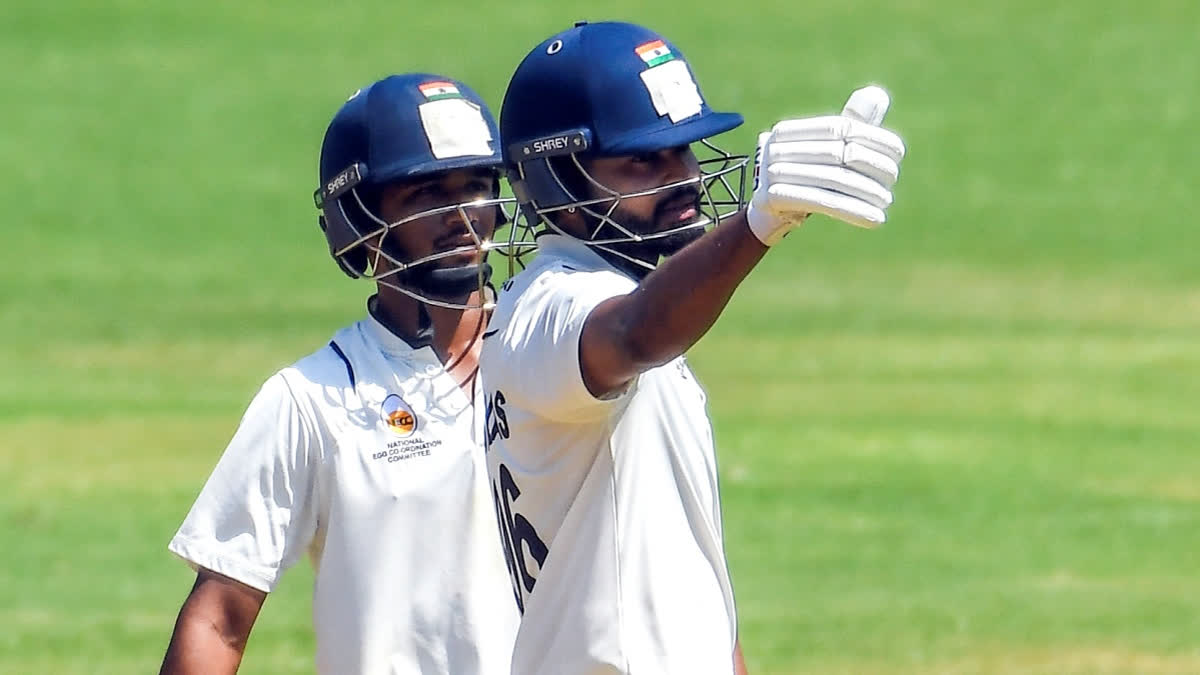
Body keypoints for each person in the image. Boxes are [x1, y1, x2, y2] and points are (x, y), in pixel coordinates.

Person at [480, 21, 906, 675]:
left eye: (684, 151)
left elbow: (693, 584)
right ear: (558, 188)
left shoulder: (615, 297)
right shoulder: (548, 304)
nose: (685, 179)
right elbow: (632, 334)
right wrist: (760, 224)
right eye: (644, 160)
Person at [159, 73, 520, 675]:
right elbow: (220, 616)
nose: (462, 215)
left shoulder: (557, 352)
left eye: (476, 186)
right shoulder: (312, 400)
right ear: (360, 217)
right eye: (427, 194)